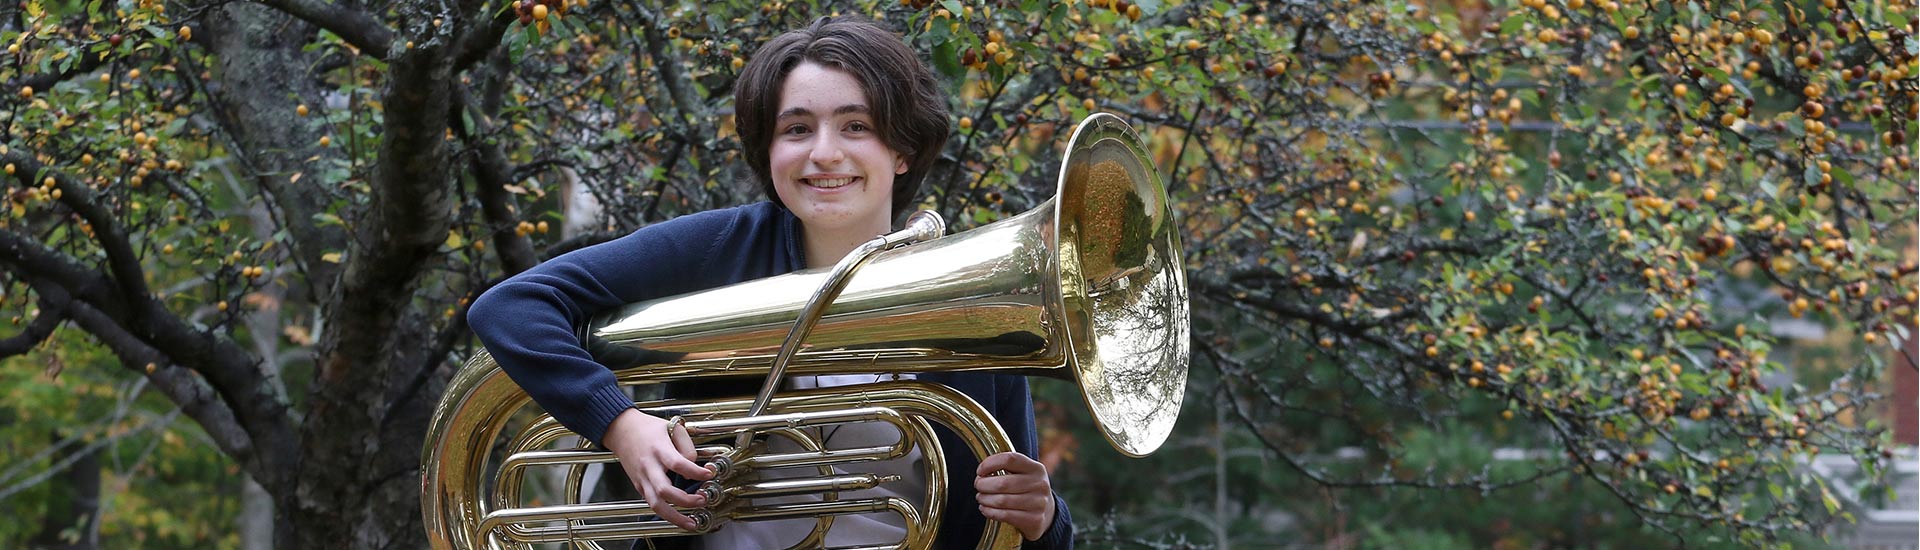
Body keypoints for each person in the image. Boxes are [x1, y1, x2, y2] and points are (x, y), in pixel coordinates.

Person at [467, 15, 1073, 549]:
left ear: (905, 149)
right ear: (769, 151)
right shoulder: (714, 249)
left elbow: (1012, 523)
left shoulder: (971, 294)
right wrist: (620, 424)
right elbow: (511, 306)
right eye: (797, 129)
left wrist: (1044, 521)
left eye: (856, 126)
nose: (825, 153)